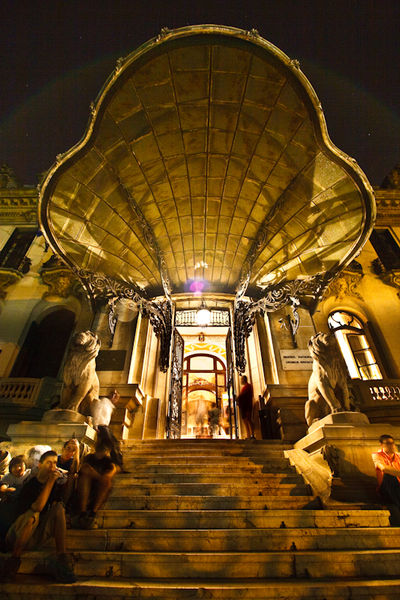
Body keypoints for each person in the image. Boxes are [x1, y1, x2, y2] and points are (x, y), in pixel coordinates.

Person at [0, 450, 76, 583]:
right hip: (17, 534)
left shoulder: (54, 484)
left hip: (36, 535)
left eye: (55, 463)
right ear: (40, 465)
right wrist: (50, 482)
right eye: (48, 463)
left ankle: (62, 558)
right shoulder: (30, 484)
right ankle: (14, 561)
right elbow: (38, 507)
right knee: (33, 515)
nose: (52, 467)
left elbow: (59, 504)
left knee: (59, 508)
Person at [71, 437, 117, 530]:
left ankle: (93, 512)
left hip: (100, 486)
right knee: (85, 476)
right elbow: (84, 469)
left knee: (106, 481)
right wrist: (98, 476)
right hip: (86, 483)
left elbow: (112, 470)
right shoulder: (89, 458)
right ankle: (83, 512)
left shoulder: (108, 461)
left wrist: (103, 476)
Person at [372, 434, 400, 525]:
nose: (391, 445)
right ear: (381, 445)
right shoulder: (377, 455)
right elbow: (383, 468)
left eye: (392, 443)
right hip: (386, 488)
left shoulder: (398, 456)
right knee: (389, 475)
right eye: (388, 443)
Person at [236, 375, 255, 439]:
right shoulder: (247, 387)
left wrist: (238, 398)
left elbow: (243, 396)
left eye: (241, 379)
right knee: (247, 420)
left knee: (248, 420)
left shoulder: (247, 387)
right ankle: (249, 435)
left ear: (244, 380)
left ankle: (250, 435)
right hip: (246, 406)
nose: (241, 381)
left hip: (246, 406)